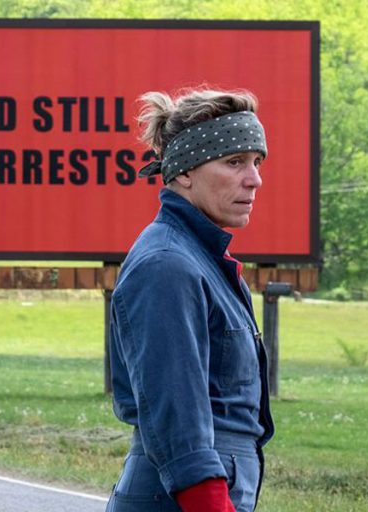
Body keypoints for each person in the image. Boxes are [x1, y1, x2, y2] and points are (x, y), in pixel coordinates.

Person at [106, 88, 275, 512]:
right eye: (234, 162)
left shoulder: (200, 260)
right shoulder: (167, 265)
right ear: (184, 172)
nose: (254, 178)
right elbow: (175, 414)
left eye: (256, 162)